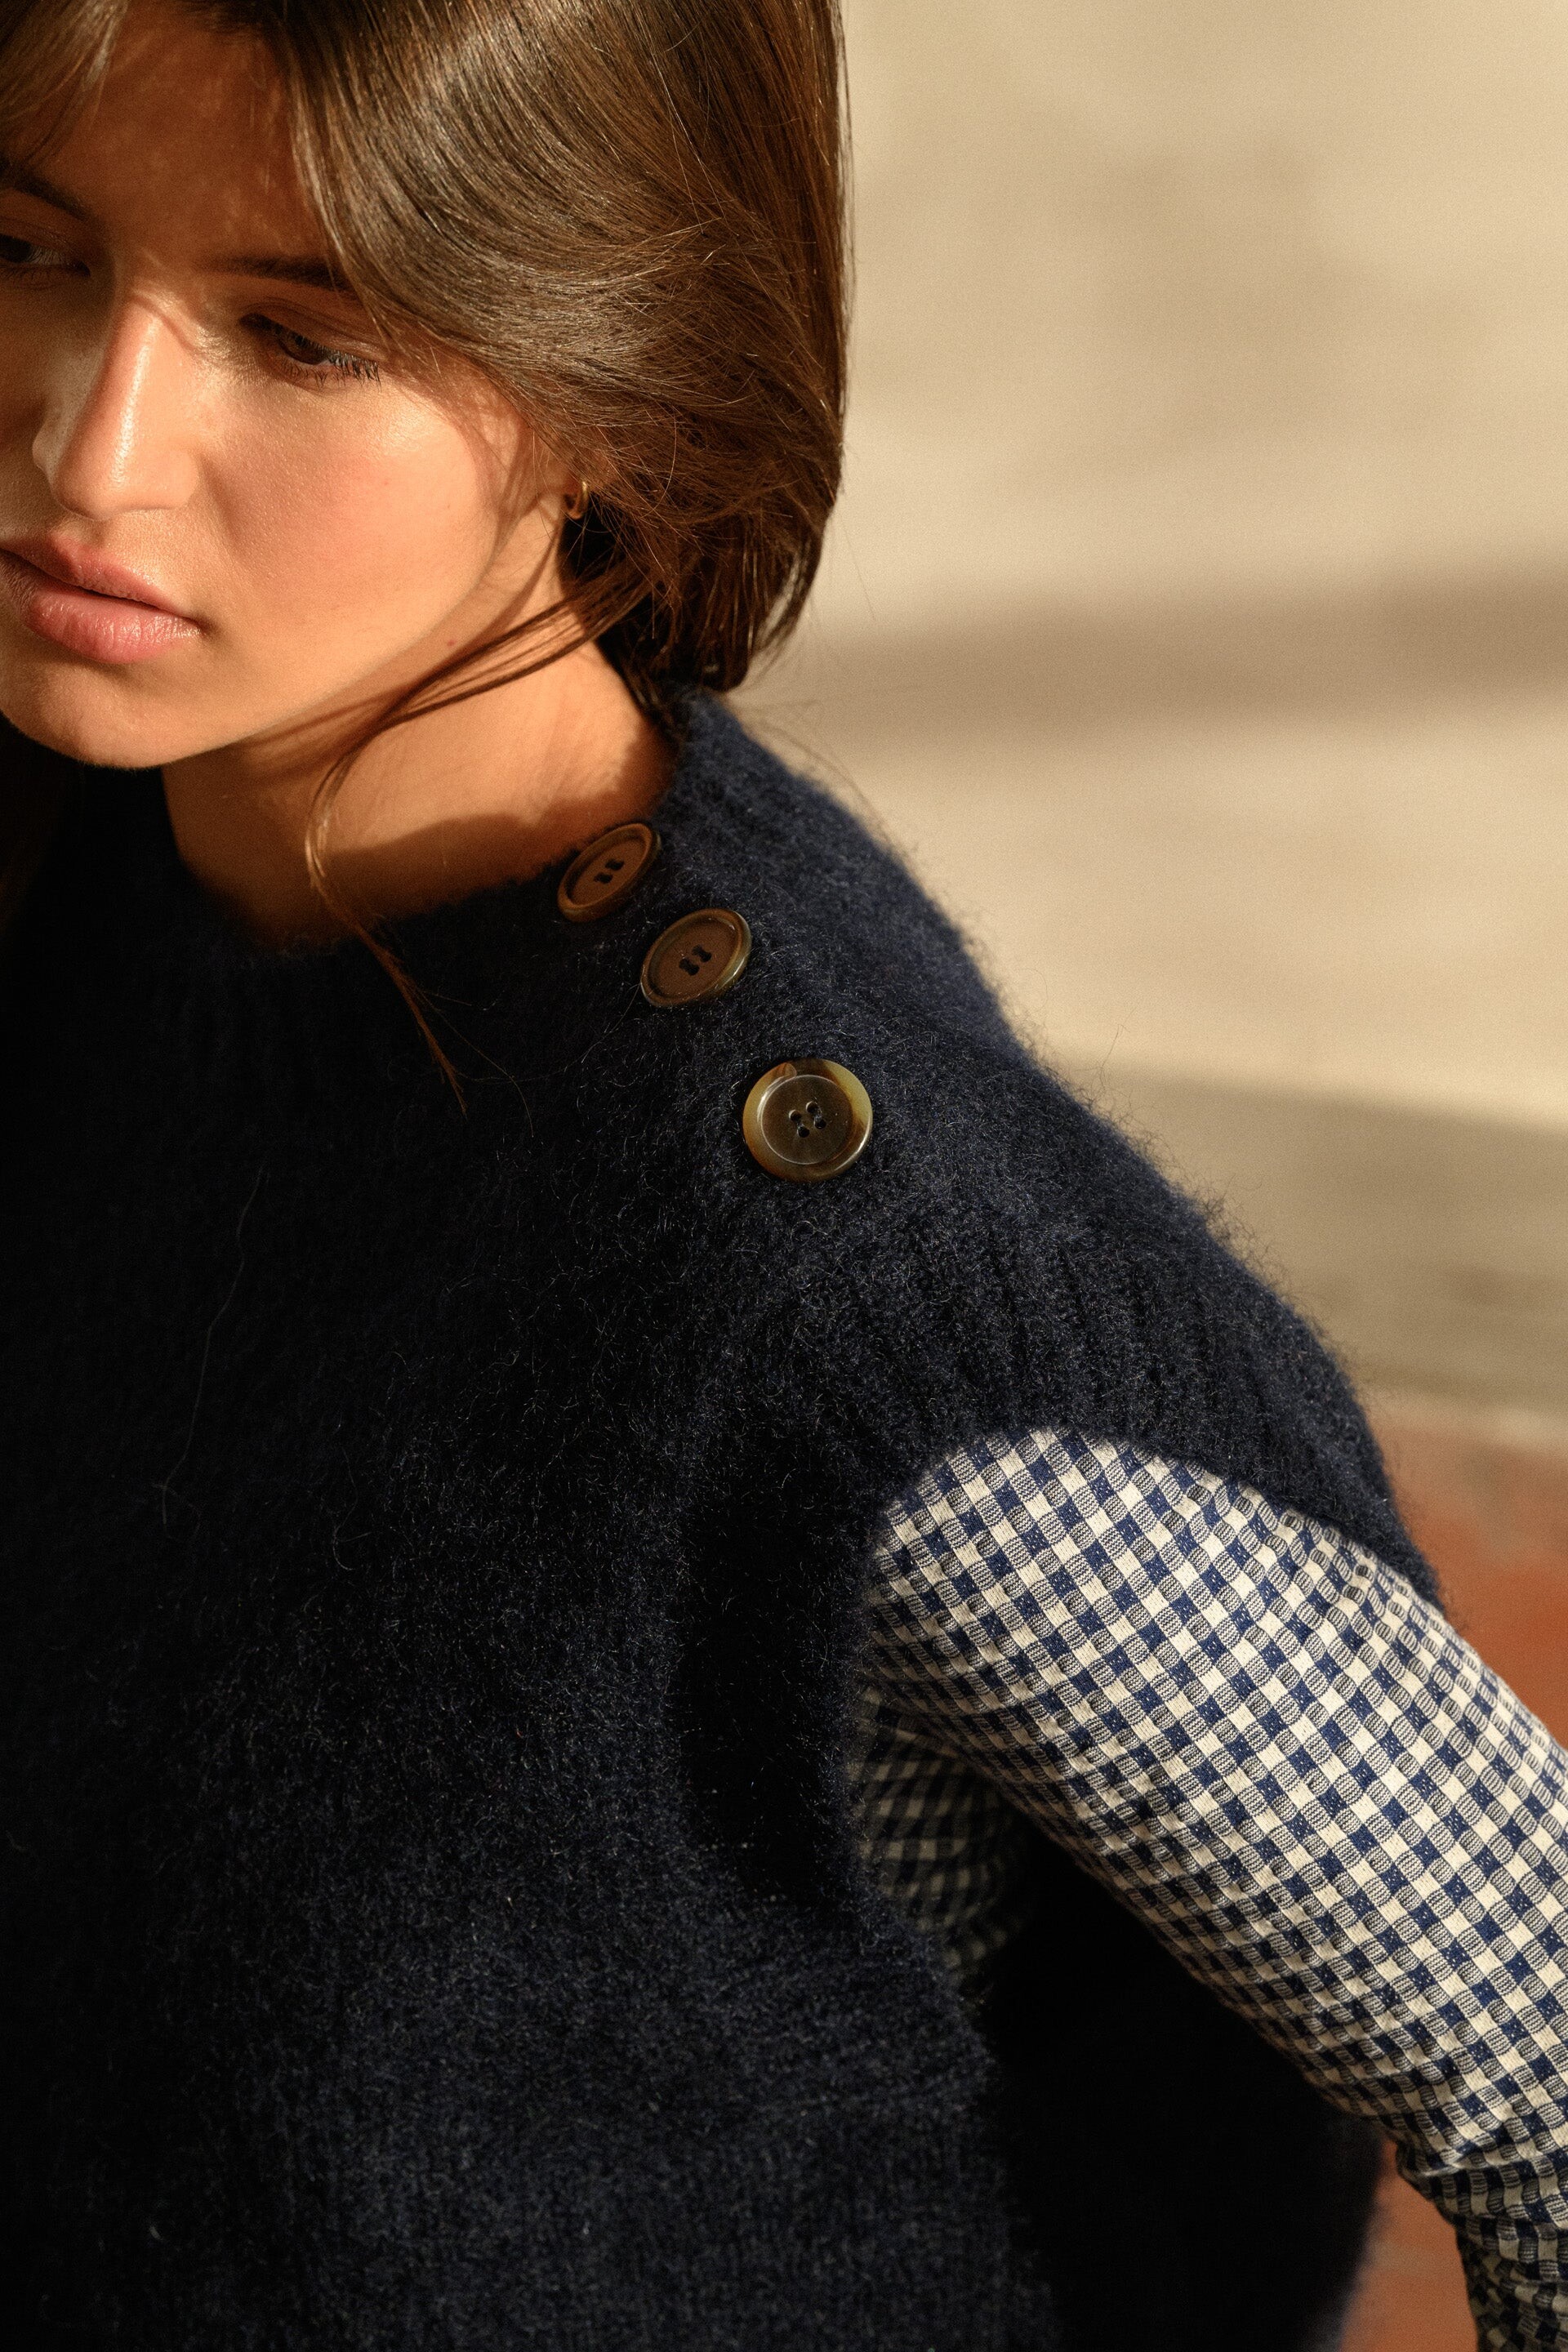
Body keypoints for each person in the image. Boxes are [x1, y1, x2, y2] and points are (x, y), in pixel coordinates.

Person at [1, 3, 1563, 2346]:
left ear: (622, 383)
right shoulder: (102, 869)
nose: (87, 442)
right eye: (31, 250)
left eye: (303, 338)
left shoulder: (854, 1301)